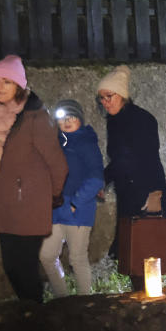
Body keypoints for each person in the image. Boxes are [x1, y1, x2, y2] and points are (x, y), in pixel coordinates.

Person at [0, 55, 68, 303]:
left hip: (29, 208)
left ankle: (35, 320)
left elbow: (58, 164)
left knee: (25, 269)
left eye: (6, 82)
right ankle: (29, 316)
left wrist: (51, 196)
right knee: (10, 267)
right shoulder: (0, 117)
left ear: (19, 85)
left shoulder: (35, 118)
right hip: (6, 207)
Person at [38, 100, 104, 297]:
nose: (66, 122)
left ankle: (84, 301)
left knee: (77, 258)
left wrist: (76, 202)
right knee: (47, 255)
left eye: (71, 118)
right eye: (62, 119)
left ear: (80, 120)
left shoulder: (86, 143)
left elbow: (96, 178)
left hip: (79, 210)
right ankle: (62, 298)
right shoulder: (54, 145)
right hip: (56, 209)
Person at [99, 65, 166, 219]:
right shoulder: (113, 121)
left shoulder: (142, 119)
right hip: (125, 191)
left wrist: (155, 193)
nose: (105, 102)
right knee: (127, 240)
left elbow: (149, 158)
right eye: (102, 98)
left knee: (137, 240)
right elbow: (118, 159)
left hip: (145, 193)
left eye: (109, 96)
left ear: (122, 95)